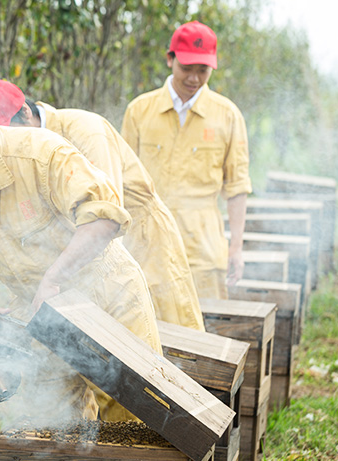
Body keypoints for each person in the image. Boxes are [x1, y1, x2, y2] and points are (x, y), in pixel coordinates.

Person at [0, 90, 162, 423]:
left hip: (107, 298)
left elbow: (105, 217)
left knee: (134, 420)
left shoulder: (42, 153)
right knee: (57, 423)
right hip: (38, 315)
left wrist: (54, 277)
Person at [0, 79, 204, 331]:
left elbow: (107, 214)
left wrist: (99, 287)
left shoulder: (86, 131)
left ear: (26, 113)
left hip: (142, 237)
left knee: (173, 332)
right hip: (87, 249)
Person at [120, 21, 252, 299]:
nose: (193, 79)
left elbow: (237, 187)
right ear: (170, 60)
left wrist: (236, 249)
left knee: (204, 333)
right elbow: (121, 180)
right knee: (146, 333)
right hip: (147, 248)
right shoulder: (139, 111)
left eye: (202, 71)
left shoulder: (227, 115)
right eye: (186, 69)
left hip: (203, 251)